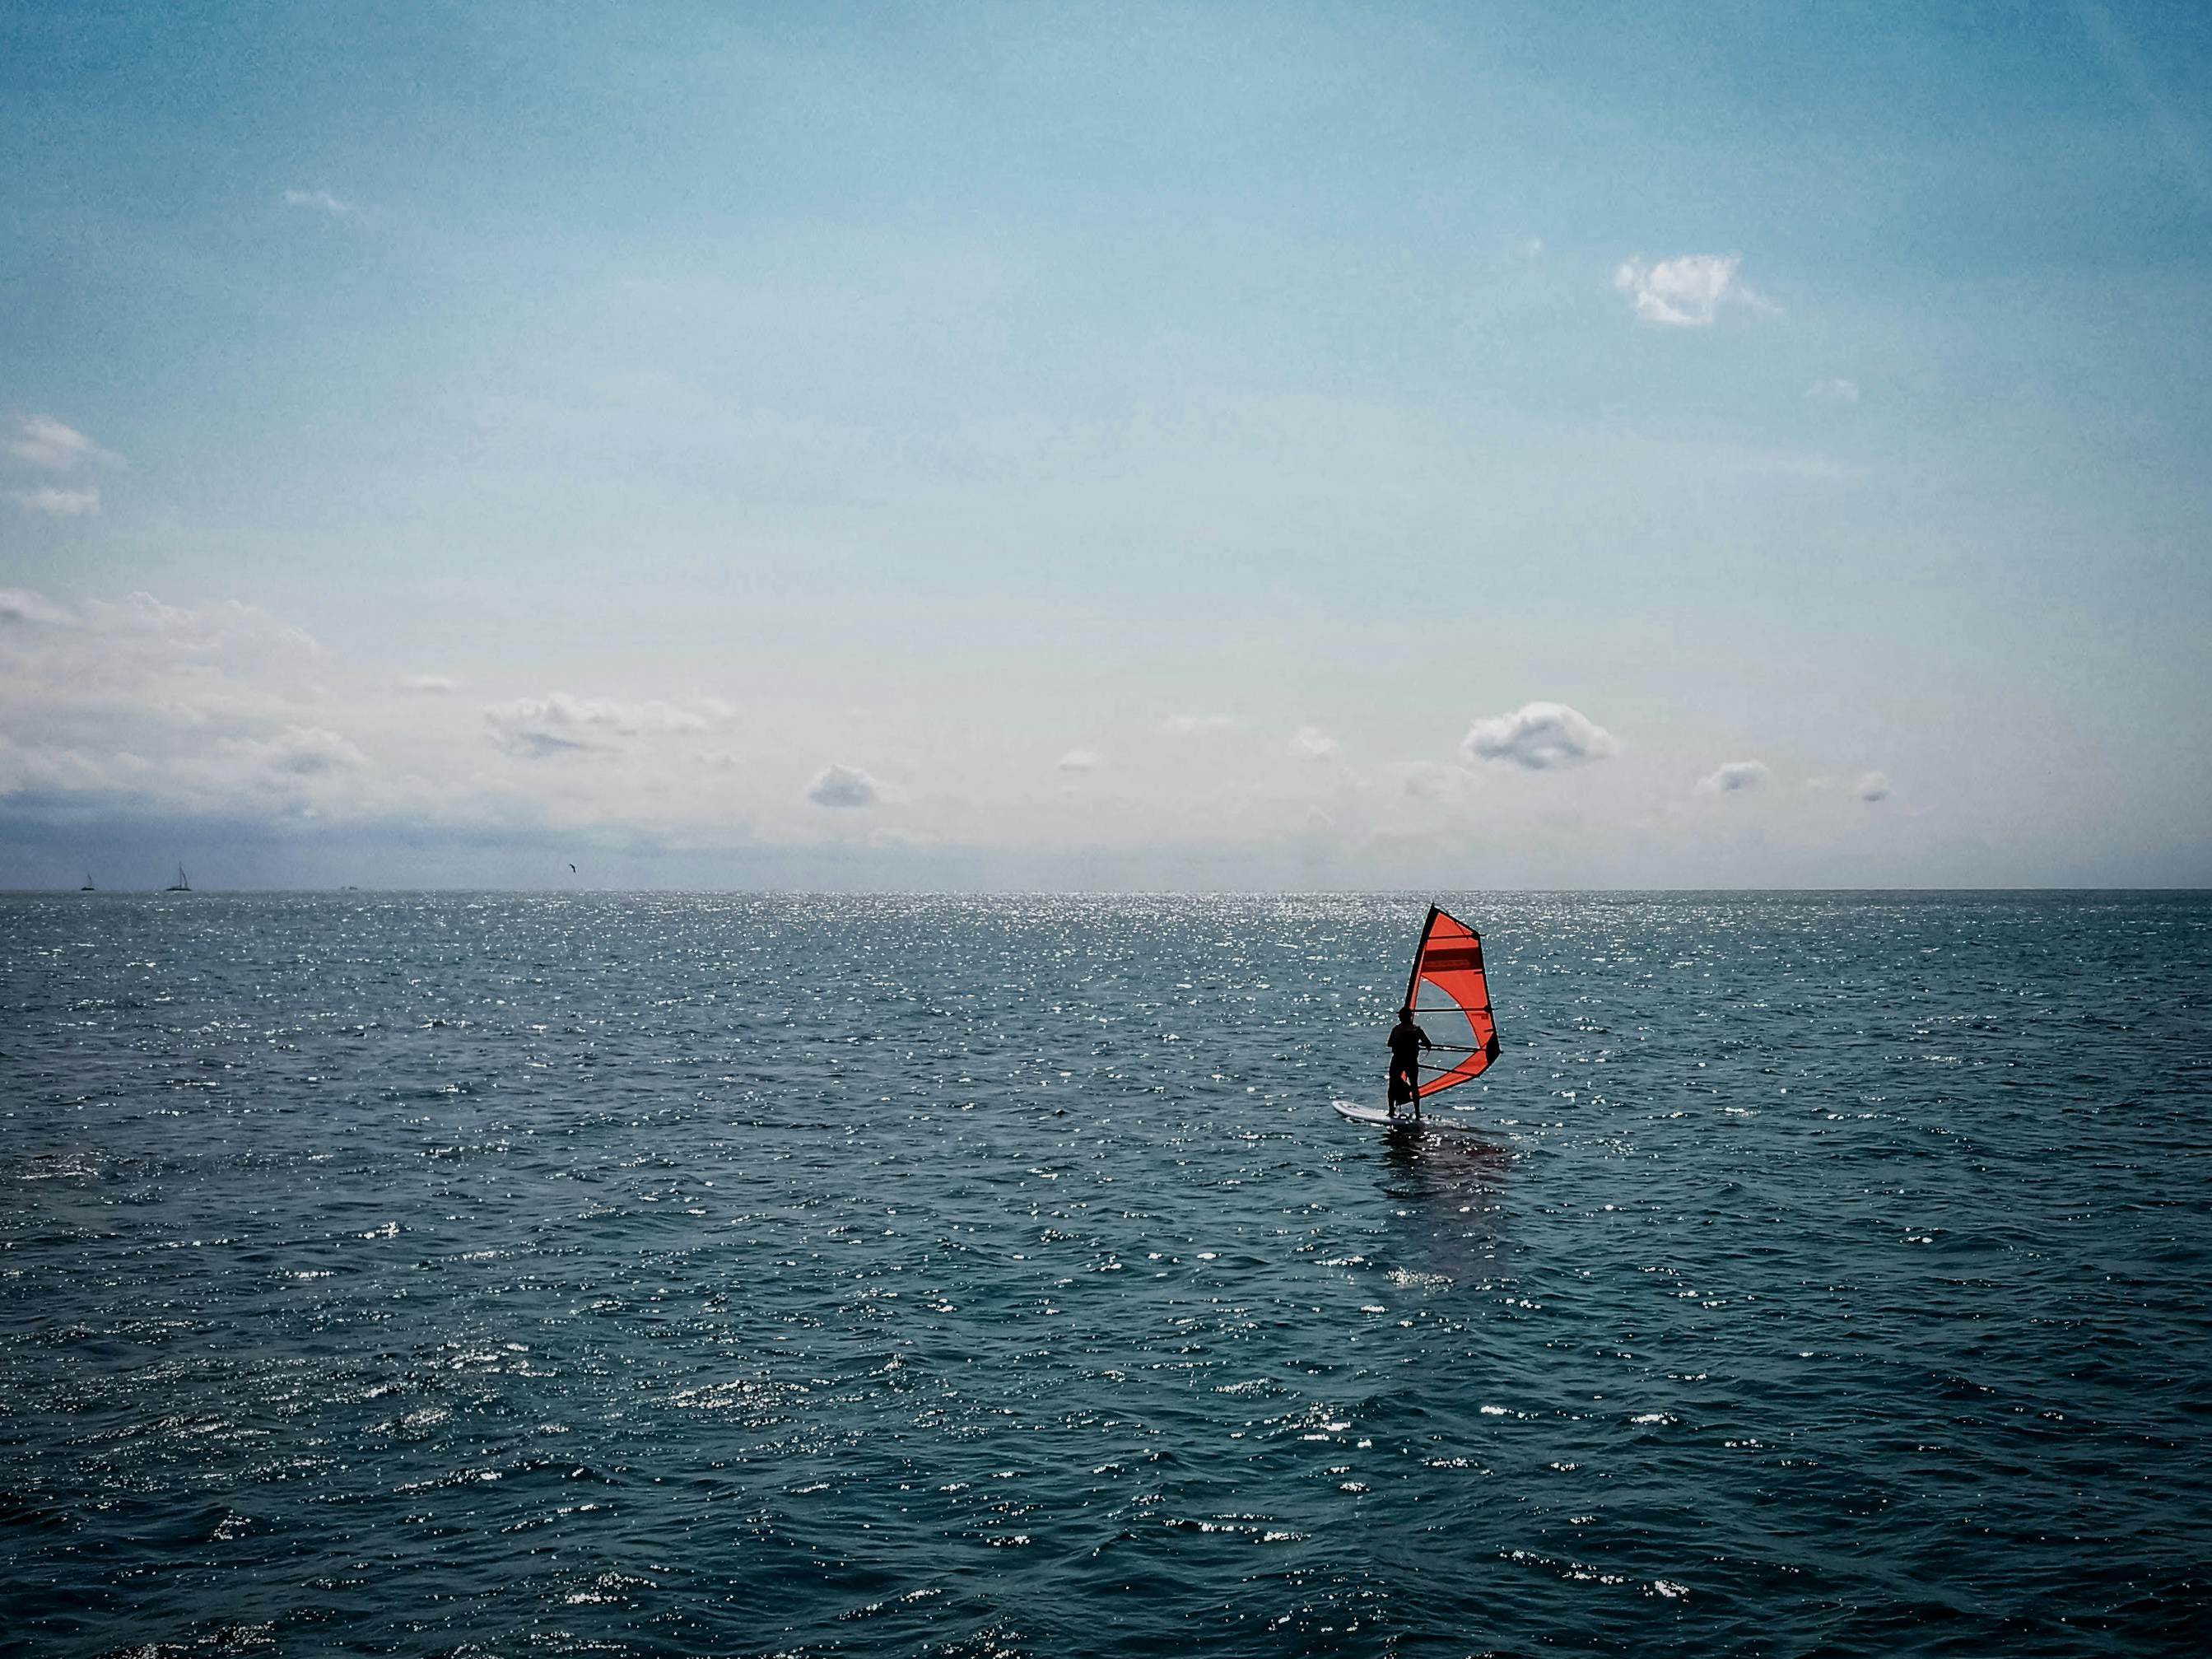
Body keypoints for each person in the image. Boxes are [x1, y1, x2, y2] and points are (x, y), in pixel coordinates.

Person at [1386, 1005, 1433, 1114]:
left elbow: (1390, 1044)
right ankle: (1417, 1113)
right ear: (1410, 1017)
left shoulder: (1397, 1029)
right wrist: (1418, 1043)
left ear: (1402, 1017)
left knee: (1392, 1085)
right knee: (1414, 1086)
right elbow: (1428, 1044)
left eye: (1400, 1016)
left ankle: (1391, 1111)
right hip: (1411, 1061)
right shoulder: (1417, 1030)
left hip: (1398, 1060)